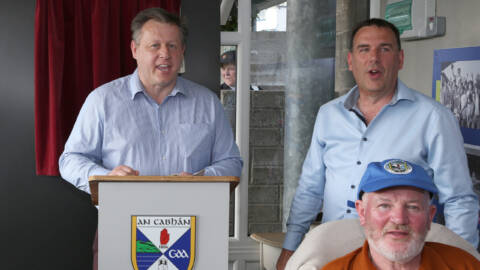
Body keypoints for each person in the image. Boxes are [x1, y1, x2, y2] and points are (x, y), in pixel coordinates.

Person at [276, 18, 479, 269]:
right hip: (333, 246)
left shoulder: (433, 118)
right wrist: (291, 245)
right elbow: (310, 187)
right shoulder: (329, 115)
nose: (374, 58)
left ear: (400, 59)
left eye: (385, 49)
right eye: (364, 49)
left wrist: (462, 257)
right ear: (350, 61)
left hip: (400, 253)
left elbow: (459, 199)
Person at [58, 7, 242, 269]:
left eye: (172, 45)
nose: (164, 54)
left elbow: (232, 162)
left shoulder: (208, 103)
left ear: (182, 51)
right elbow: (70, 159)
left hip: (193, 233)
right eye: (154, 45)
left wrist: (202, 180)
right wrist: (105, 179)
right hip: (121, 230)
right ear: (135, 50)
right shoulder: (102, 101)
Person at [321, 159, 480, 269]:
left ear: (429, 216)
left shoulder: (465, 265)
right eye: (384, 205)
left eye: (413, 207)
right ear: (362, 212)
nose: (399, 218)